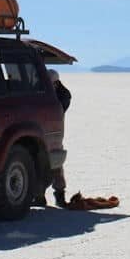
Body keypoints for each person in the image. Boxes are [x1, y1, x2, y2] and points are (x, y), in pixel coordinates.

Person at [48, 68, 71, 206]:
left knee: (56, 163)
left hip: (54, 133)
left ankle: (60, 195)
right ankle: (38, 196)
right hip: (44, 132)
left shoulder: (63, 95)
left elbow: (58, 111)